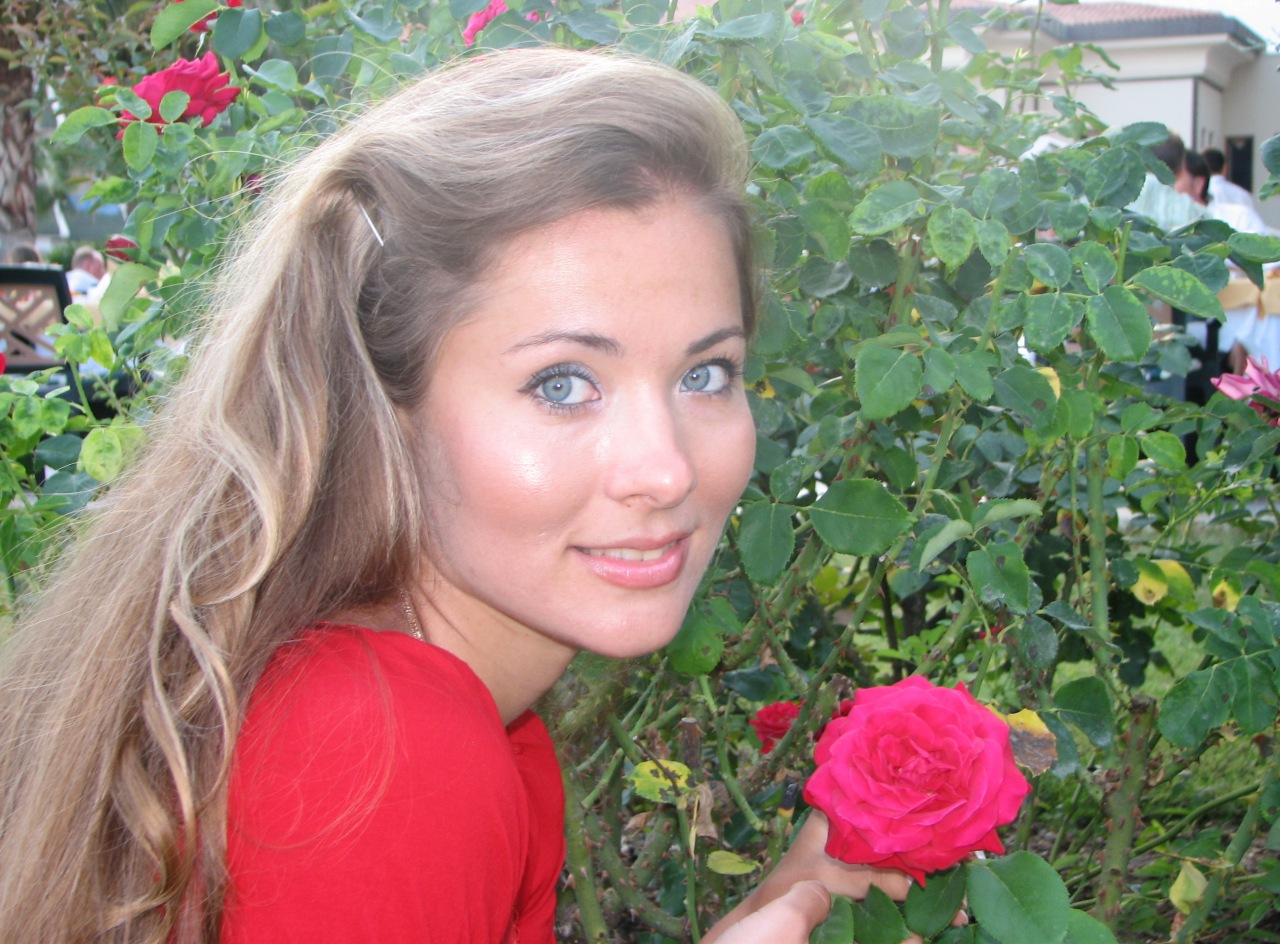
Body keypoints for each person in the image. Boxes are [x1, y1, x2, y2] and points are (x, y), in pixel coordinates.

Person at [0, 49, 915, 944]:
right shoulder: (383, 758)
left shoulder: (411, 707)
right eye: (562, 384)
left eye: (706, 373)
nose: (666, 469)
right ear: (386, 406)